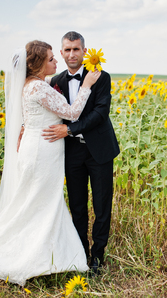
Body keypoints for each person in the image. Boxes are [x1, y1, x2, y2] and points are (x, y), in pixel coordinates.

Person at [0, 40, 101, 286]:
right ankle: (34, 256)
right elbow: (72, 114)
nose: (56, 61)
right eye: (51, 58)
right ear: (37, 64)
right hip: (43, 151)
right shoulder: (39, 88)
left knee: (35, 199)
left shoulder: (30, 85)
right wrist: (86, 85)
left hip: (37, 146)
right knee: (42, 201)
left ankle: (46, 251)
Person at [42, 31, 120, 274]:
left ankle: (98, 257)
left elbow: (100, 113)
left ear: (85, 51)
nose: (72, 54)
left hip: (99, 151)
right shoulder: (55, 81)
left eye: (76, 49)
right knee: (77, 206)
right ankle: (81, 254)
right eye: (67, 50)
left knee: (102, 205)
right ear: (62, 52)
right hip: (72, 152)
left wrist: (70, 129)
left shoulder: (101, 76)